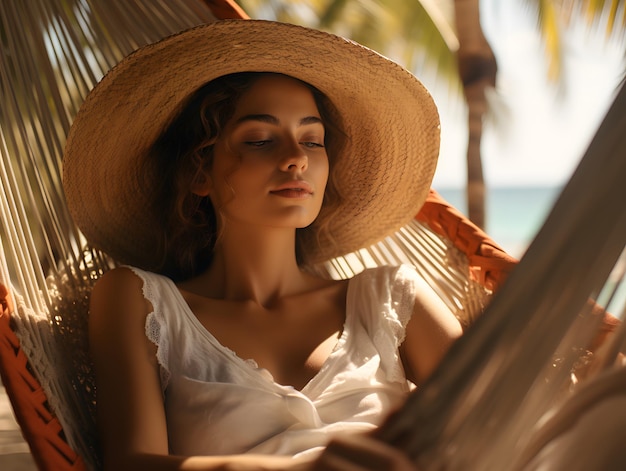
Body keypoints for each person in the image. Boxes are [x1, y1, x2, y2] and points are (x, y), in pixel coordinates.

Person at [60, 19, 463, 471]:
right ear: (199, 173)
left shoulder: (393, 298)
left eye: (313, 140)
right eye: (260, 140)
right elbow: (130, 464)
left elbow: (501, 424)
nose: (297, 158)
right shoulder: (141, 302)